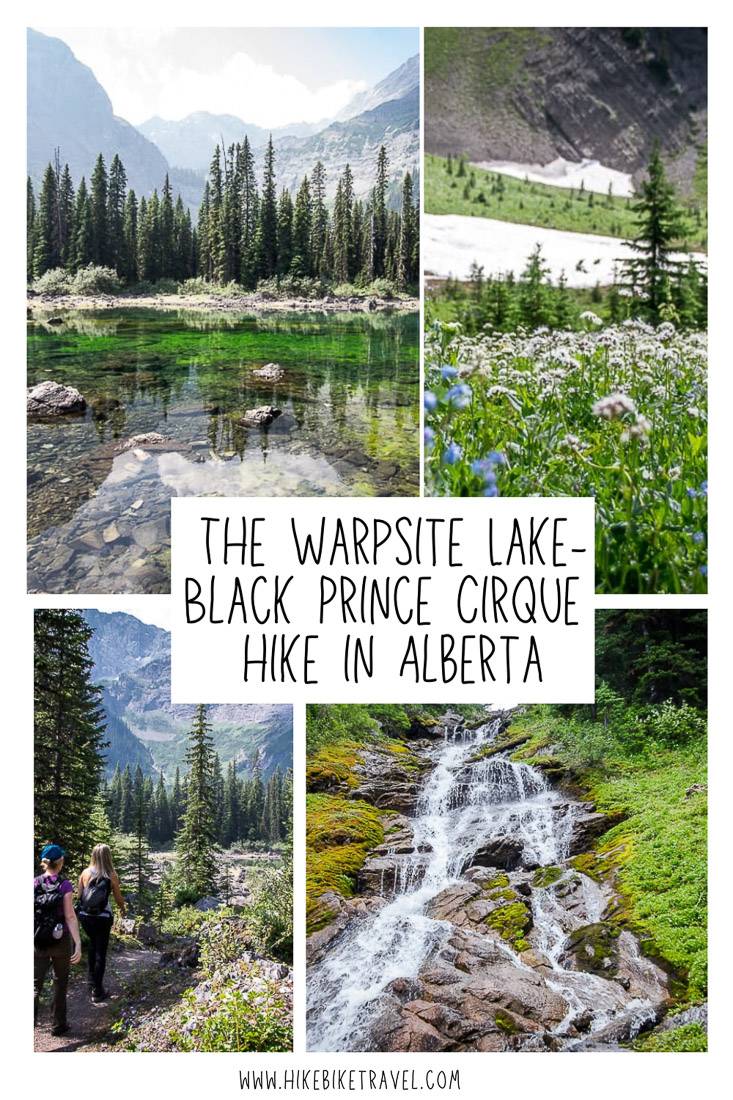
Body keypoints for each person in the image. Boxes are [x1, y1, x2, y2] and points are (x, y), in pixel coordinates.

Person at [34, 844, 82, 1036]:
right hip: (60, 939)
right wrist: (77, 943)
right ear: (60, 861)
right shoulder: (65, 885)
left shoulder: (34, 883)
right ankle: (58, 1025)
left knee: (34, 984)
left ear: (45, 863)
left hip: (38, 938)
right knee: (60, 983)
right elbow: (70, 916)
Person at [77, 843, 126, 1002]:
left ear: (93, 855)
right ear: (107, 856)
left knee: (92, 945)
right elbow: (118, 898)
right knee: (100, 952)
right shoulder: (111, 874)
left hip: (86, 917)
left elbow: (79, 896)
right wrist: (123, 909)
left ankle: (91, 982)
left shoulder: (85, 873)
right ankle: (98, 991)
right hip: (103, 918)